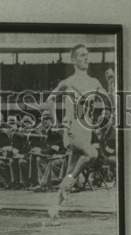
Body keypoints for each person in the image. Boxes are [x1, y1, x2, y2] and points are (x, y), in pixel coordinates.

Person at [43, 44, 107, 206]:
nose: (86, 58)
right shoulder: (68, 82)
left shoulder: (94, 82)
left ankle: (54, 210)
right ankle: (69, 182)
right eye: (81, 55)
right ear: (73, 59)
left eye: (87, 55)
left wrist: (112, 82)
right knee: (92, 154)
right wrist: (56, 123)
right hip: (72, 130)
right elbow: (49, 100)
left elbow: (109, 101)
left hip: (86, 131)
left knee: (70, 172)